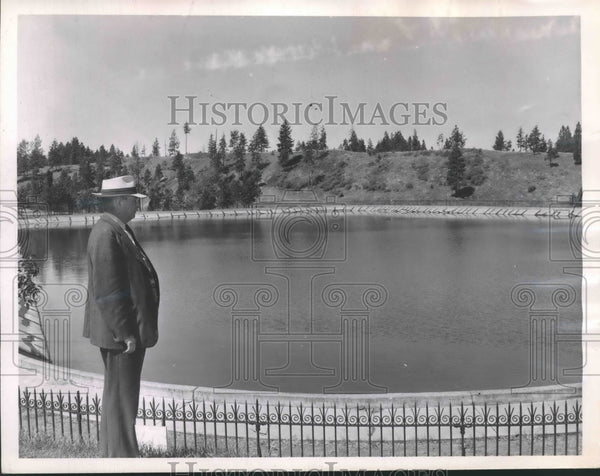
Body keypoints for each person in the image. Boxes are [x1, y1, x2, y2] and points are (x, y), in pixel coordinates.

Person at [83, 175, 160, 457]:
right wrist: (125, 332)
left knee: (122, 397)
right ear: (119, 201)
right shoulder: (106, 233)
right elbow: (109, 290)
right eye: (133, 200)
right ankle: (121, 457)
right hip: (121, 336)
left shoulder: (117, 229)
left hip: (125, 332)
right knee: (121, 398)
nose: (137, 206)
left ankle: (116, 453)